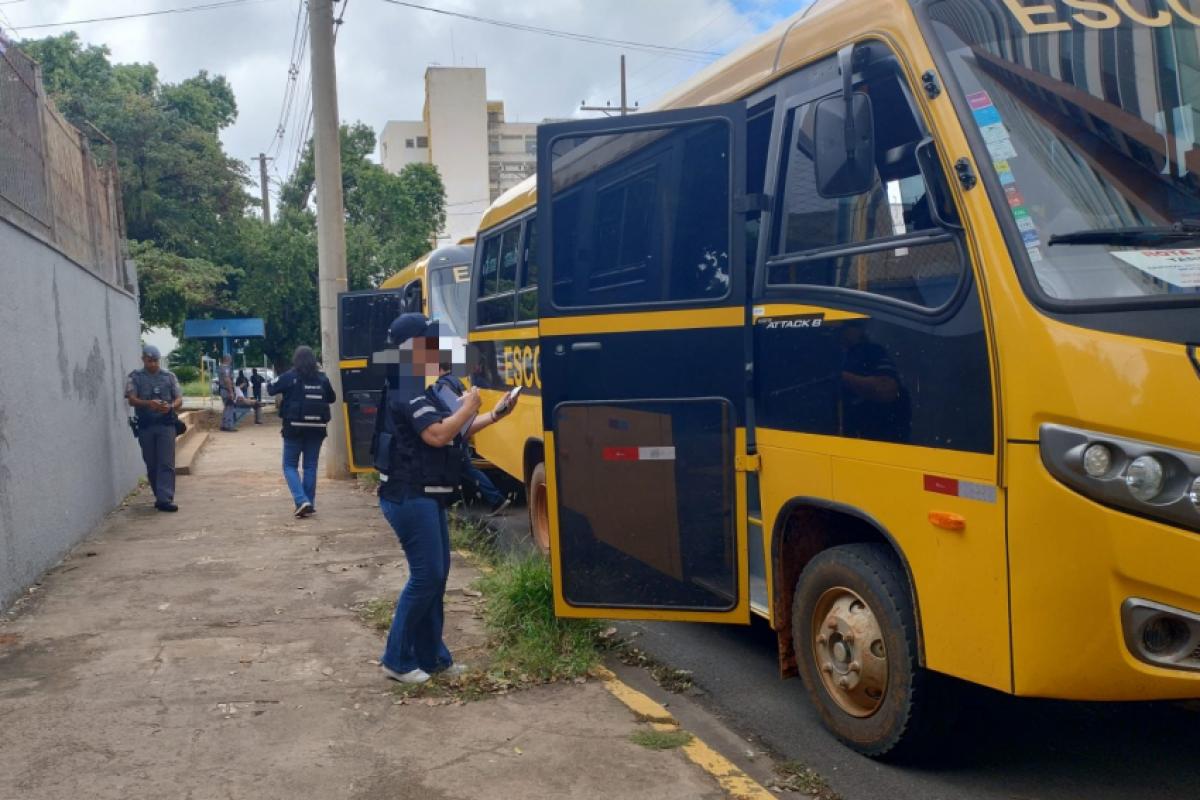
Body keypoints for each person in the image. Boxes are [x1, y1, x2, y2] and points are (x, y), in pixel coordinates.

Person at [376, 314, 519, 684]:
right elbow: (438, 435)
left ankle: (434, 658)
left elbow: (458, 428)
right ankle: (397, 659)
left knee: (436, 578)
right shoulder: (404, 385)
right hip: (408, 495)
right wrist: (468, 407)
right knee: (427, 577)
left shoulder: (420, 384)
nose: (435, 347)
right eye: (428, 341)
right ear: (411, 347)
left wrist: (494, 413)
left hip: (426, 493)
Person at [434, 366, 511, 516]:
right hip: (464, 428)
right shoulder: (457, 382)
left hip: (455, 431)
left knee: (467, 469)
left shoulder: (441, 386)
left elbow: (445, 411)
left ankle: (496, 500)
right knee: (465, 469)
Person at [268, 346, 336, 517]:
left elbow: (270, 388)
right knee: (310, 466)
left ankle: (301, 500)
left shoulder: (290, 376)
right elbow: (332, 398)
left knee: (289, 465)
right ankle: (308, 502)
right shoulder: (322, 378)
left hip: (294, 428)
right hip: (317, 429)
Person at [126, 344, 183, 512]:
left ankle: (165, 498)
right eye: (149, 361)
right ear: (143, 359)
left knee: (166, 462)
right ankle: (159, 494)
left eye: (155, 361)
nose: (152, 364)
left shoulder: (169, 376)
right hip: (146, 426)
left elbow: (179, 398)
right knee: (151, 463)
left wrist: (171, 406)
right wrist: (148, 403)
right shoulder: (135, 377)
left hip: (166, 425)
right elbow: (131, 399)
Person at [218, 355, 236, 431]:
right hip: (227, 390)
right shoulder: (226, 368)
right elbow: (227, 380)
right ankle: (229, 426)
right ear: (228, 359)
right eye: (231, 359)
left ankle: (223, 425)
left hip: (223, 389)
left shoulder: (220, 367)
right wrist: (231, 392)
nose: (231, 360)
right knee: (230, 407)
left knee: (226, 407)